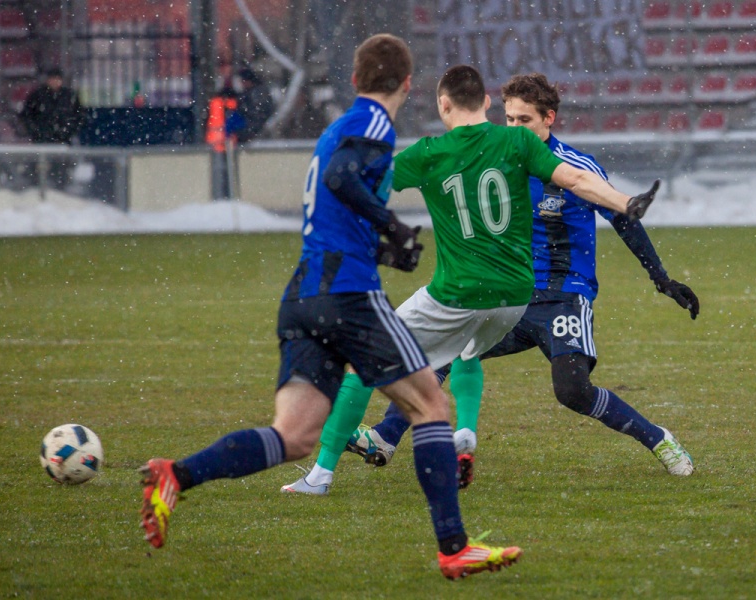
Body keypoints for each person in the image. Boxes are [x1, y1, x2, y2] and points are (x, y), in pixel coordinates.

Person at [138, 35, 523, 580]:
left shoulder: (337, 128)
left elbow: (334, 203)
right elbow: (343, 179)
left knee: (293, 436)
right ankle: (454, 547)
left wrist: (383, 246)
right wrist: (391, 224)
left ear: (355, 79)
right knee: (432, 406)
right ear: (408, 84)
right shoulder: (373, 123)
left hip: (304, 295)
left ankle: (175, 475)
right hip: (348, 296)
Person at [281, 65, 660, 498]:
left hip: (459, 290)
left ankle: (320, 476)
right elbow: (575, 178)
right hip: (515, 295)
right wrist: (626, 202)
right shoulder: (519, 143)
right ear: (486, 103)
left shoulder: (430, 152)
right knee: (463, 349)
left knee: (363, 360)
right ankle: (462, 429)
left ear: (443, 104)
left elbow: (359, 187)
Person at [18, 67, 85, 188]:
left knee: (61, 170)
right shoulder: (38, 96)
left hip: (63, 141)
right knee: (38, 168)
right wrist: (37, 132)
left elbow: (79, 117)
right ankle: (36, 187)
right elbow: (26, 116)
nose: (55, 82)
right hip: (41, 141)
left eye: (57, 79)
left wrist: (67, 131)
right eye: (52, 79)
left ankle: (60, 188)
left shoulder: (69, 96)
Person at [232, 68, 274, 142]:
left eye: (243, 81)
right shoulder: (250, 93)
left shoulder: (256, 94)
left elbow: (258, 115)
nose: (242, 84)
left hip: (253, 130)